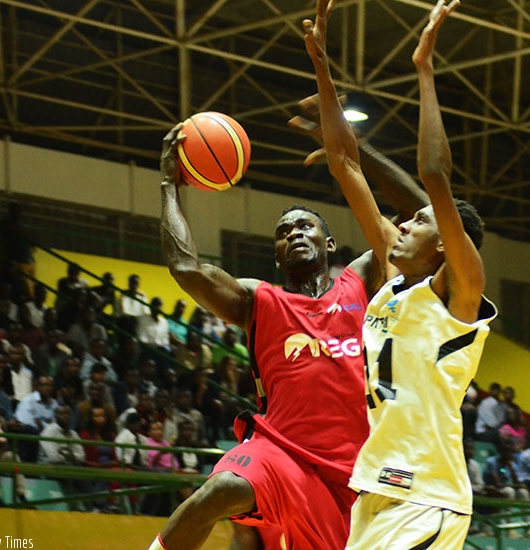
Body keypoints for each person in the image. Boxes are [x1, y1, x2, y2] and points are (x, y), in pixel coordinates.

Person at [150, 71, 425, 550]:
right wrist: (170, 187)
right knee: (218, 491)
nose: (294, 232)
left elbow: (423, 216)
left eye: (305, 226)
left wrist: (354, 149)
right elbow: (187, 269)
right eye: (283, 232)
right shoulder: (260, 299)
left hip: (352, 474)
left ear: (330, 242)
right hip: (279, 453)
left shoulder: (361, 279)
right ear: (277, 255)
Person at [308, 0, 497, 547]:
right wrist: (322, 66)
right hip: (375, 488)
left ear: (445, 243)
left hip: (428, 496)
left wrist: (424, 68)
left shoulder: (460, 293)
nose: (403, 226)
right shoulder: (396, 281)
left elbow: (435, 175)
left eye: (418, 221)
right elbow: (344, 162)